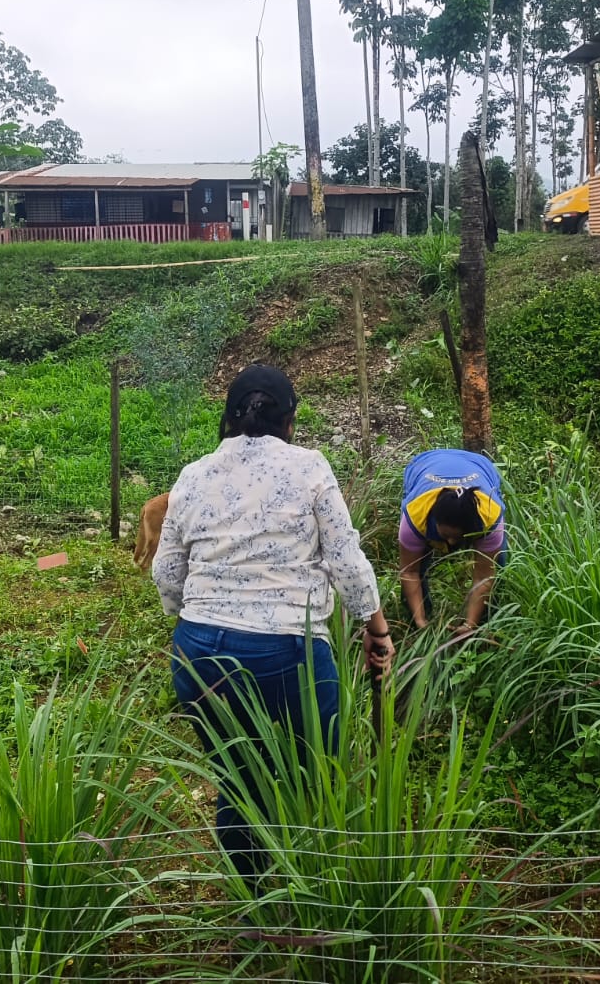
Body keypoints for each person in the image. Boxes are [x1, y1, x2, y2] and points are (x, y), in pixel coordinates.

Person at [153, 364, 391, 883]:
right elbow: (346, 561)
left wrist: (195, 617)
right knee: (319, 768)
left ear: (228, 418)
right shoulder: (309, 468)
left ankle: (252, 896)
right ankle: (313, 882)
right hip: (285, 653)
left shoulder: (193, 475)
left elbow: (167, 572)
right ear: (289, 421)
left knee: (237, 778)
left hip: (199, 652)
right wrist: (376, 629)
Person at [397, 448, 507, 631]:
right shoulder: (415, 515)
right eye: (446, 535)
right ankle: (417, 622)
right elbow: (409, 572)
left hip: (479, 466)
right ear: (435, 521)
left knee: (498, 566)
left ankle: (486, 623)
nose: (452, 543)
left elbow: (484, 576)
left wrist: (470, 624)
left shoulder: (490, 516)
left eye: (458, 537)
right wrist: (420, 621)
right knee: (417, 565)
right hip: (424, 463)